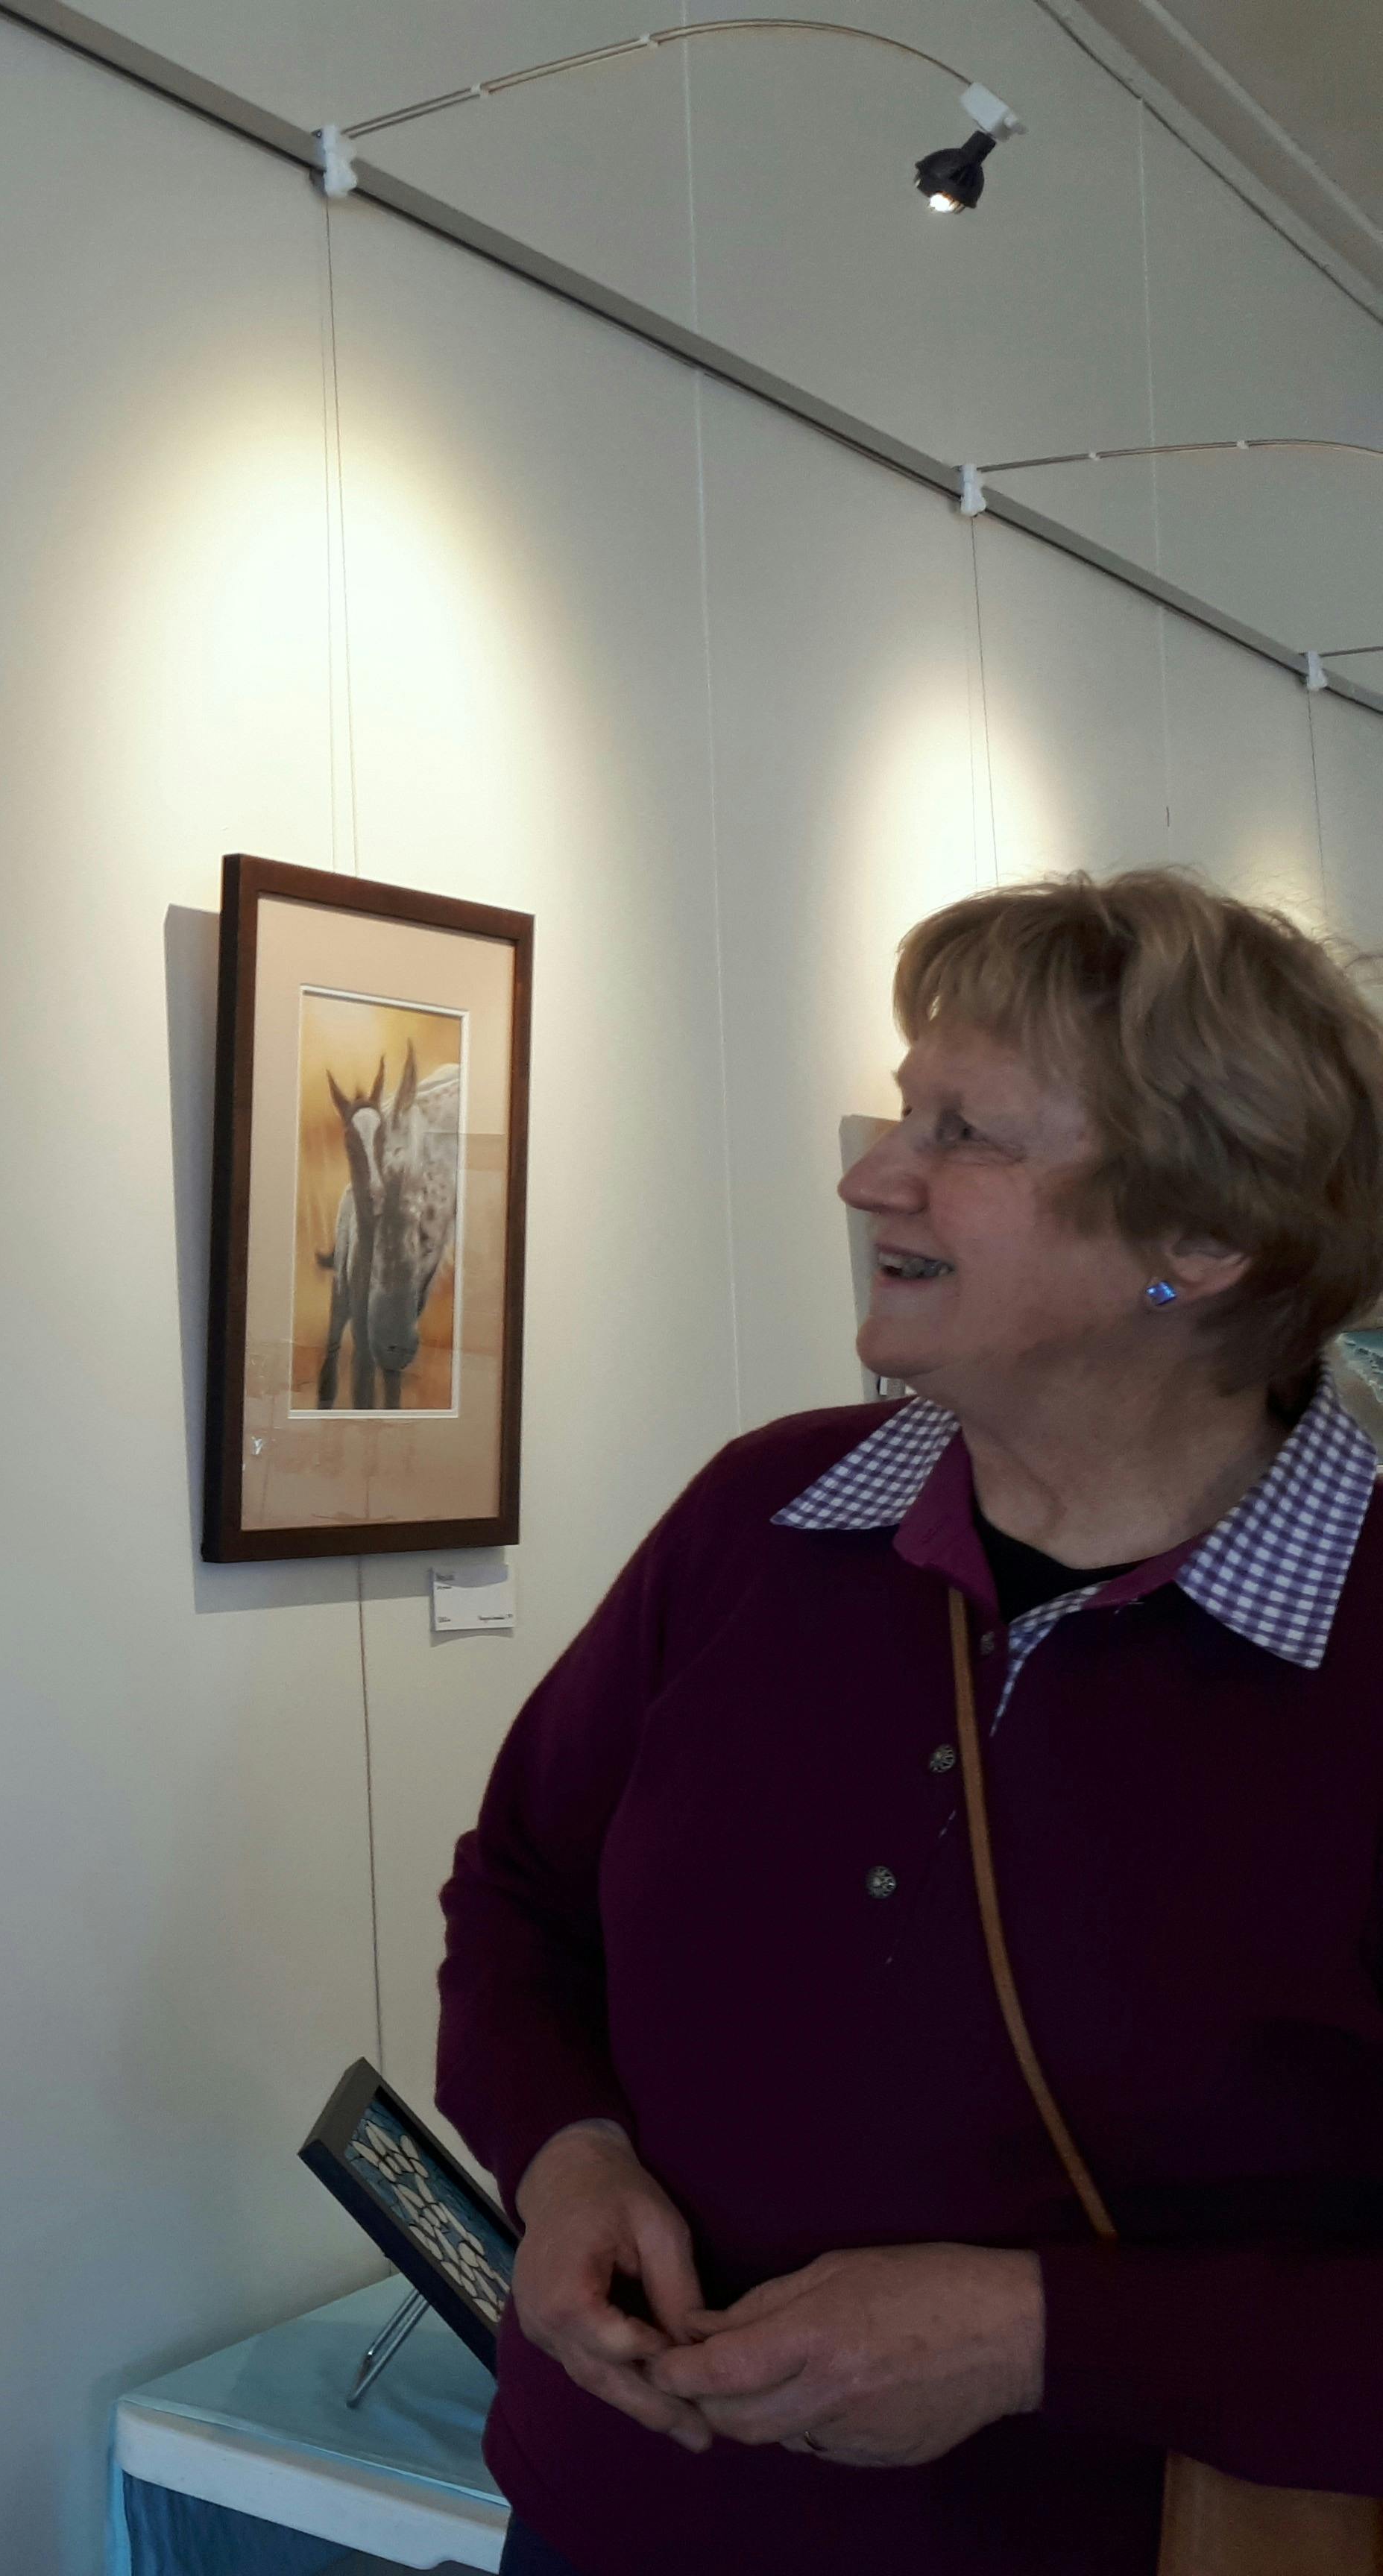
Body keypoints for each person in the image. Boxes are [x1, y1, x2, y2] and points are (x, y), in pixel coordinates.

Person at [437, 871, 1383, 2575]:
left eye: (966, 1134)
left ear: (1199, 1243)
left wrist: (1037, 2340)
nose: (871, 1173)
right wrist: (563, 2159)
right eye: (901, 1110)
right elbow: (517, 1893)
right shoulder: (759, 1519)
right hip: (613, 2523)